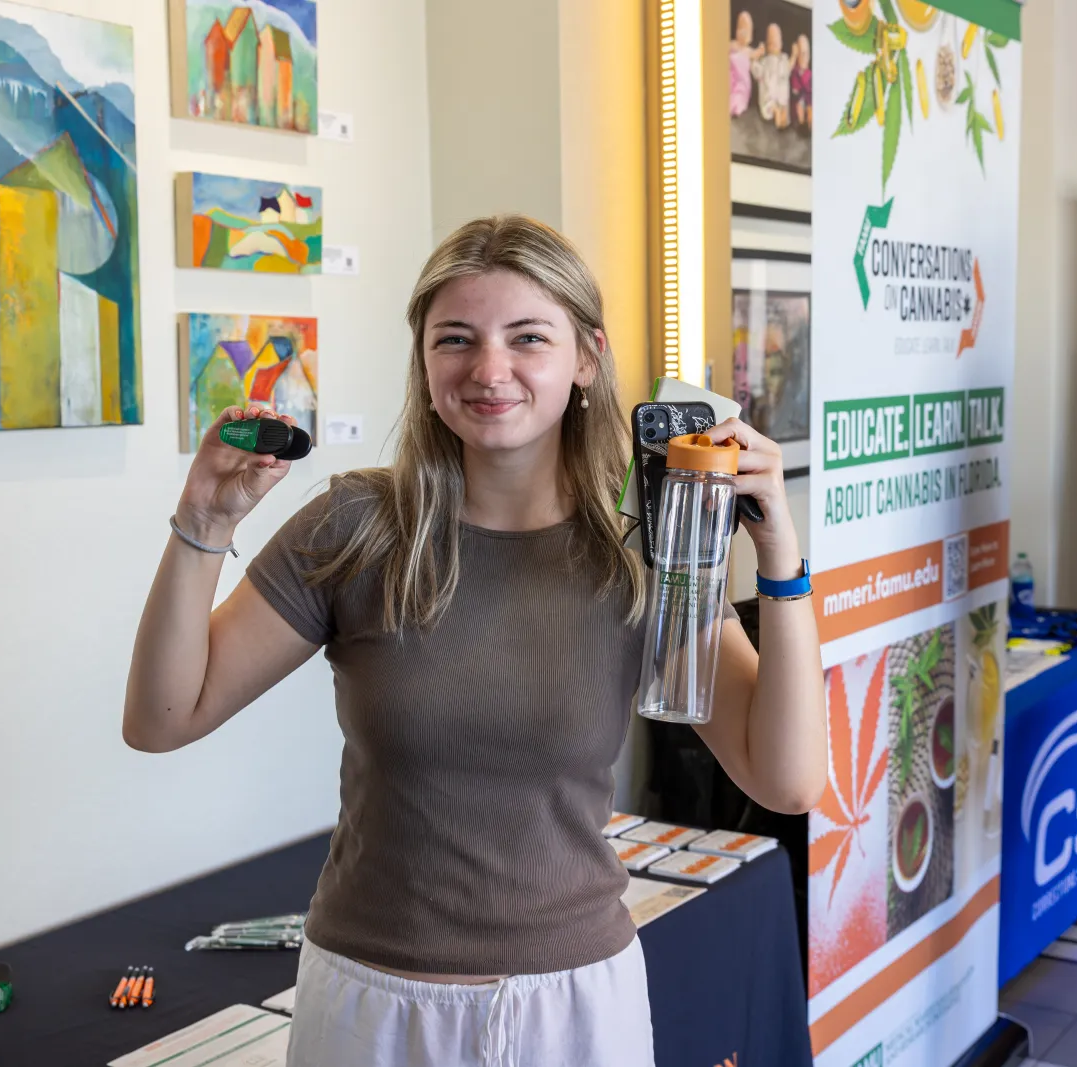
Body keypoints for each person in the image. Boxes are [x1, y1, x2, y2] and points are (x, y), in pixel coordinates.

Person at [122, 215, 827, 1066]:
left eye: (528, 337)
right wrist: (202, 520)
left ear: (586, 359)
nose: (489, 370)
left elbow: (785, 780)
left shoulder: (644, 553)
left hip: (571, 1007)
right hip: (368, 1005)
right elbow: (163, 717)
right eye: (455, 339)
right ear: (424, 364)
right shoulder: (357, 525)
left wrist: (779, 556)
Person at [751, 21, 791, 129]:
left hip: (780, 90)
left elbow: (788, 70)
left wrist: (795, 56)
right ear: (766, 45)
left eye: (776, 42)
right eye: (770, 43)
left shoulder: (783, 58)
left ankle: (782, 114)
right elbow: (756, 71)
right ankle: (775, 111)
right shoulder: (764, 61)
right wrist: (756, 56)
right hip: (768, 92)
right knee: (768, 100)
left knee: (783, 97)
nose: (773, 45)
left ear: (781, 45)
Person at [730, 10, 754, 118]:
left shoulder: (749, 51)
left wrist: (761, 51)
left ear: (751, 37)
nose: (742, 32)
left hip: (742, 84)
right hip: (730, 78)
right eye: (740, 28)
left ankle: (734, 107)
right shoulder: (732, 45)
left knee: (739, 97)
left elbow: (756, 56)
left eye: (746, 30)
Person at [790, 34, 813, 129]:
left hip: (809, 97)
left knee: (810, 108)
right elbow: (795, 87)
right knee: (799, 106)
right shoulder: (795, 71)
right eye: (800, 53)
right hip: (799, 97)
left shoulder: (810, 73)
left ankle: (810, 123)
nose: (803, 57)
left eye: (805, 53)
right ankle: (801, 123)